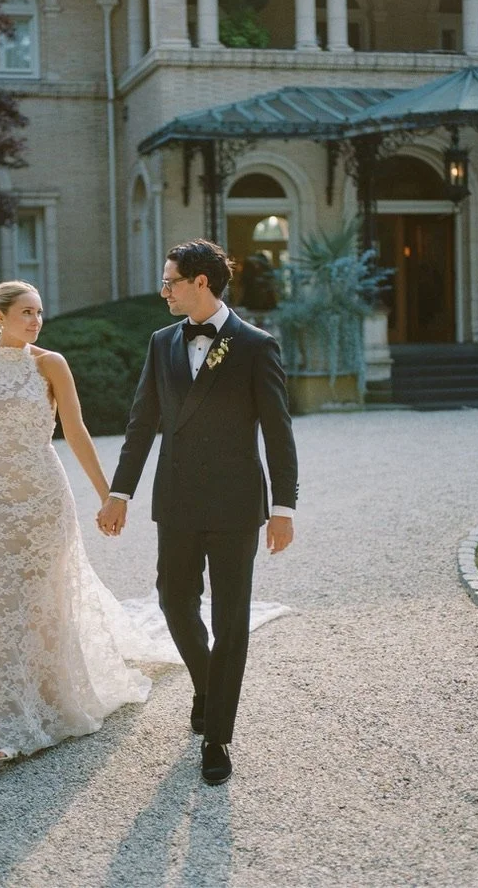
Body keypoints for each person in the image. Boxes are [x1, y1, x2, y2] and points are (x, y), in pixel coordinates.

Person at [97, 239, 298, 785]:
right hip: (178, 498)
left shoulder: (255, 346)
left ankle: (217, 737)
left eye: (171, 281)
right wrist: (121, 492)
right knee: (173, 600)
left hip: (236, 504)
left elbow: (278, 434)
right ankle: (207, 684)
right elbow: (142, 423)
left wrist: (283, 506)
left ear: (200, 282)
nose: (164, 291)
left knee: (231, 620)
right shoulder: (162, 342)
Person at [0, 280, 155, 763]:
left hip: (46, 498)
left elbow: (76, 430)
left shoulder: (52, 364)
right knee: (3, 604)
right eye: (26, 312)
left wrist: (109, 495)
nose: (36, 321)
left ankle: (52, 701)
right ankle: (9, 719)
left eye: (39, 312)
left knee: (47, 600)